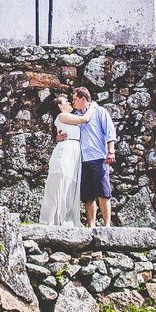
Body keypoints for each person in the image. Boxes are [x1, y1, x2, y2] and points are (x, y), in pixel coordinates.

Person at [57, 87, 117, 227]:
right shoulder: (77, 116)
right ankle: (91, 225)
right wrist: (58, 136)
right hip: (82, 160)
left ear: (83, 99)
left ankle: (107, 225)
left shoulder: (100, 112)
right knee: (87, 195)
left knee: (103, 192)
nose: (73, 102)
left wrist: (111, 151)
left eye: (75, 99)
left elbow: (110, 132)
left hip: (98, 157)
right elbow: (63, 128)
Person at [37, 94, 82, 226]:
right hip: (66, 151)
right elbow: (85, 119)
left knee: (69, 185)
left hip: (73, 152)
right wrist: (93, 107)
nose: (69, 103)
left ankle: (64, 218)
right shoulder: (62, 116)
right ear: (60, 106)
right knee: (59, 185)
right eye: (66, 101)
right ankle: (50, 219)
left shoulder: (70, 117)